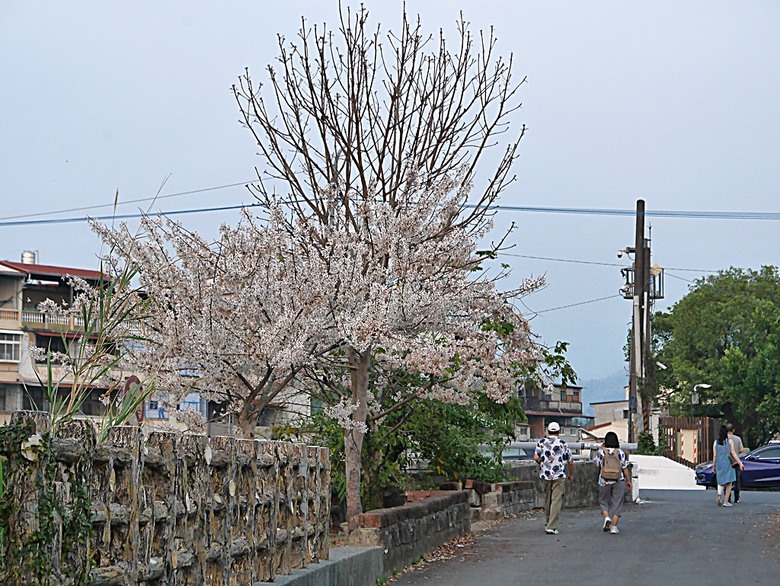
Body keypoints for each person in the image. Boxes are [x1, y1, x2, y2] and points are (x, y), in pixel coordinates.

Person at [534, 421, 573, 535]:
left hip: (545, 474)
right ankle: (552, 526)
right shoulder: (563, 443)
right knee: (556, 500)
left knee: (547, 499)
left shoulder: (542, 442)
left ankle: (548, 522)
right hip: (559, 475)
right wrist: (571, 474)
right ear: (559, 431)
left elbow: (536, 456)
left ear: (548, 431)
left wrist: (540, 462)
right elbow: (570, 461)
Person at [593, 431, 632, 534]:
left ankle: (606, 518)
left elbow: (596, 464)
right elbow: (625, 467)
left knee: (603, 501)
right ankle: (614, 527)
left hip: (604, 480)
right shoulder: (620, 452)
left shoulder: (601, 452)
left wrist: (600, 449)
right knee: (617, 503)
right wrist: (628, 480)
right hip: (618, 479)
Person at [713, 424, 744, 507]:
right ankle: (726, 502)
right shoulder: (729, 441)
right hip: (728, 463)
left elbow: (715, 455)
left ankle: (719, 493)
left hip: (719, 463)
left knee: (721, 481)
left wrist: (714, 466)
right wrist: (740, 463)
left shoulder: (716, 443)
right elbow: (733, 453)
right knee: (729, 483)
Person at [726, 423, 747, 503]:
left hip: (727, 462)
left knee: (727, 480)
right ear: (733, 430)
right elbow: (741, 450)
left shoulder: (724, 439)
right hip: (736, 461)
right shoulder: (738, 439)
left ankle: (727, 497)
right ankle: (736, 497)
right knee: (737, 480)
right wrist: (737, 451)